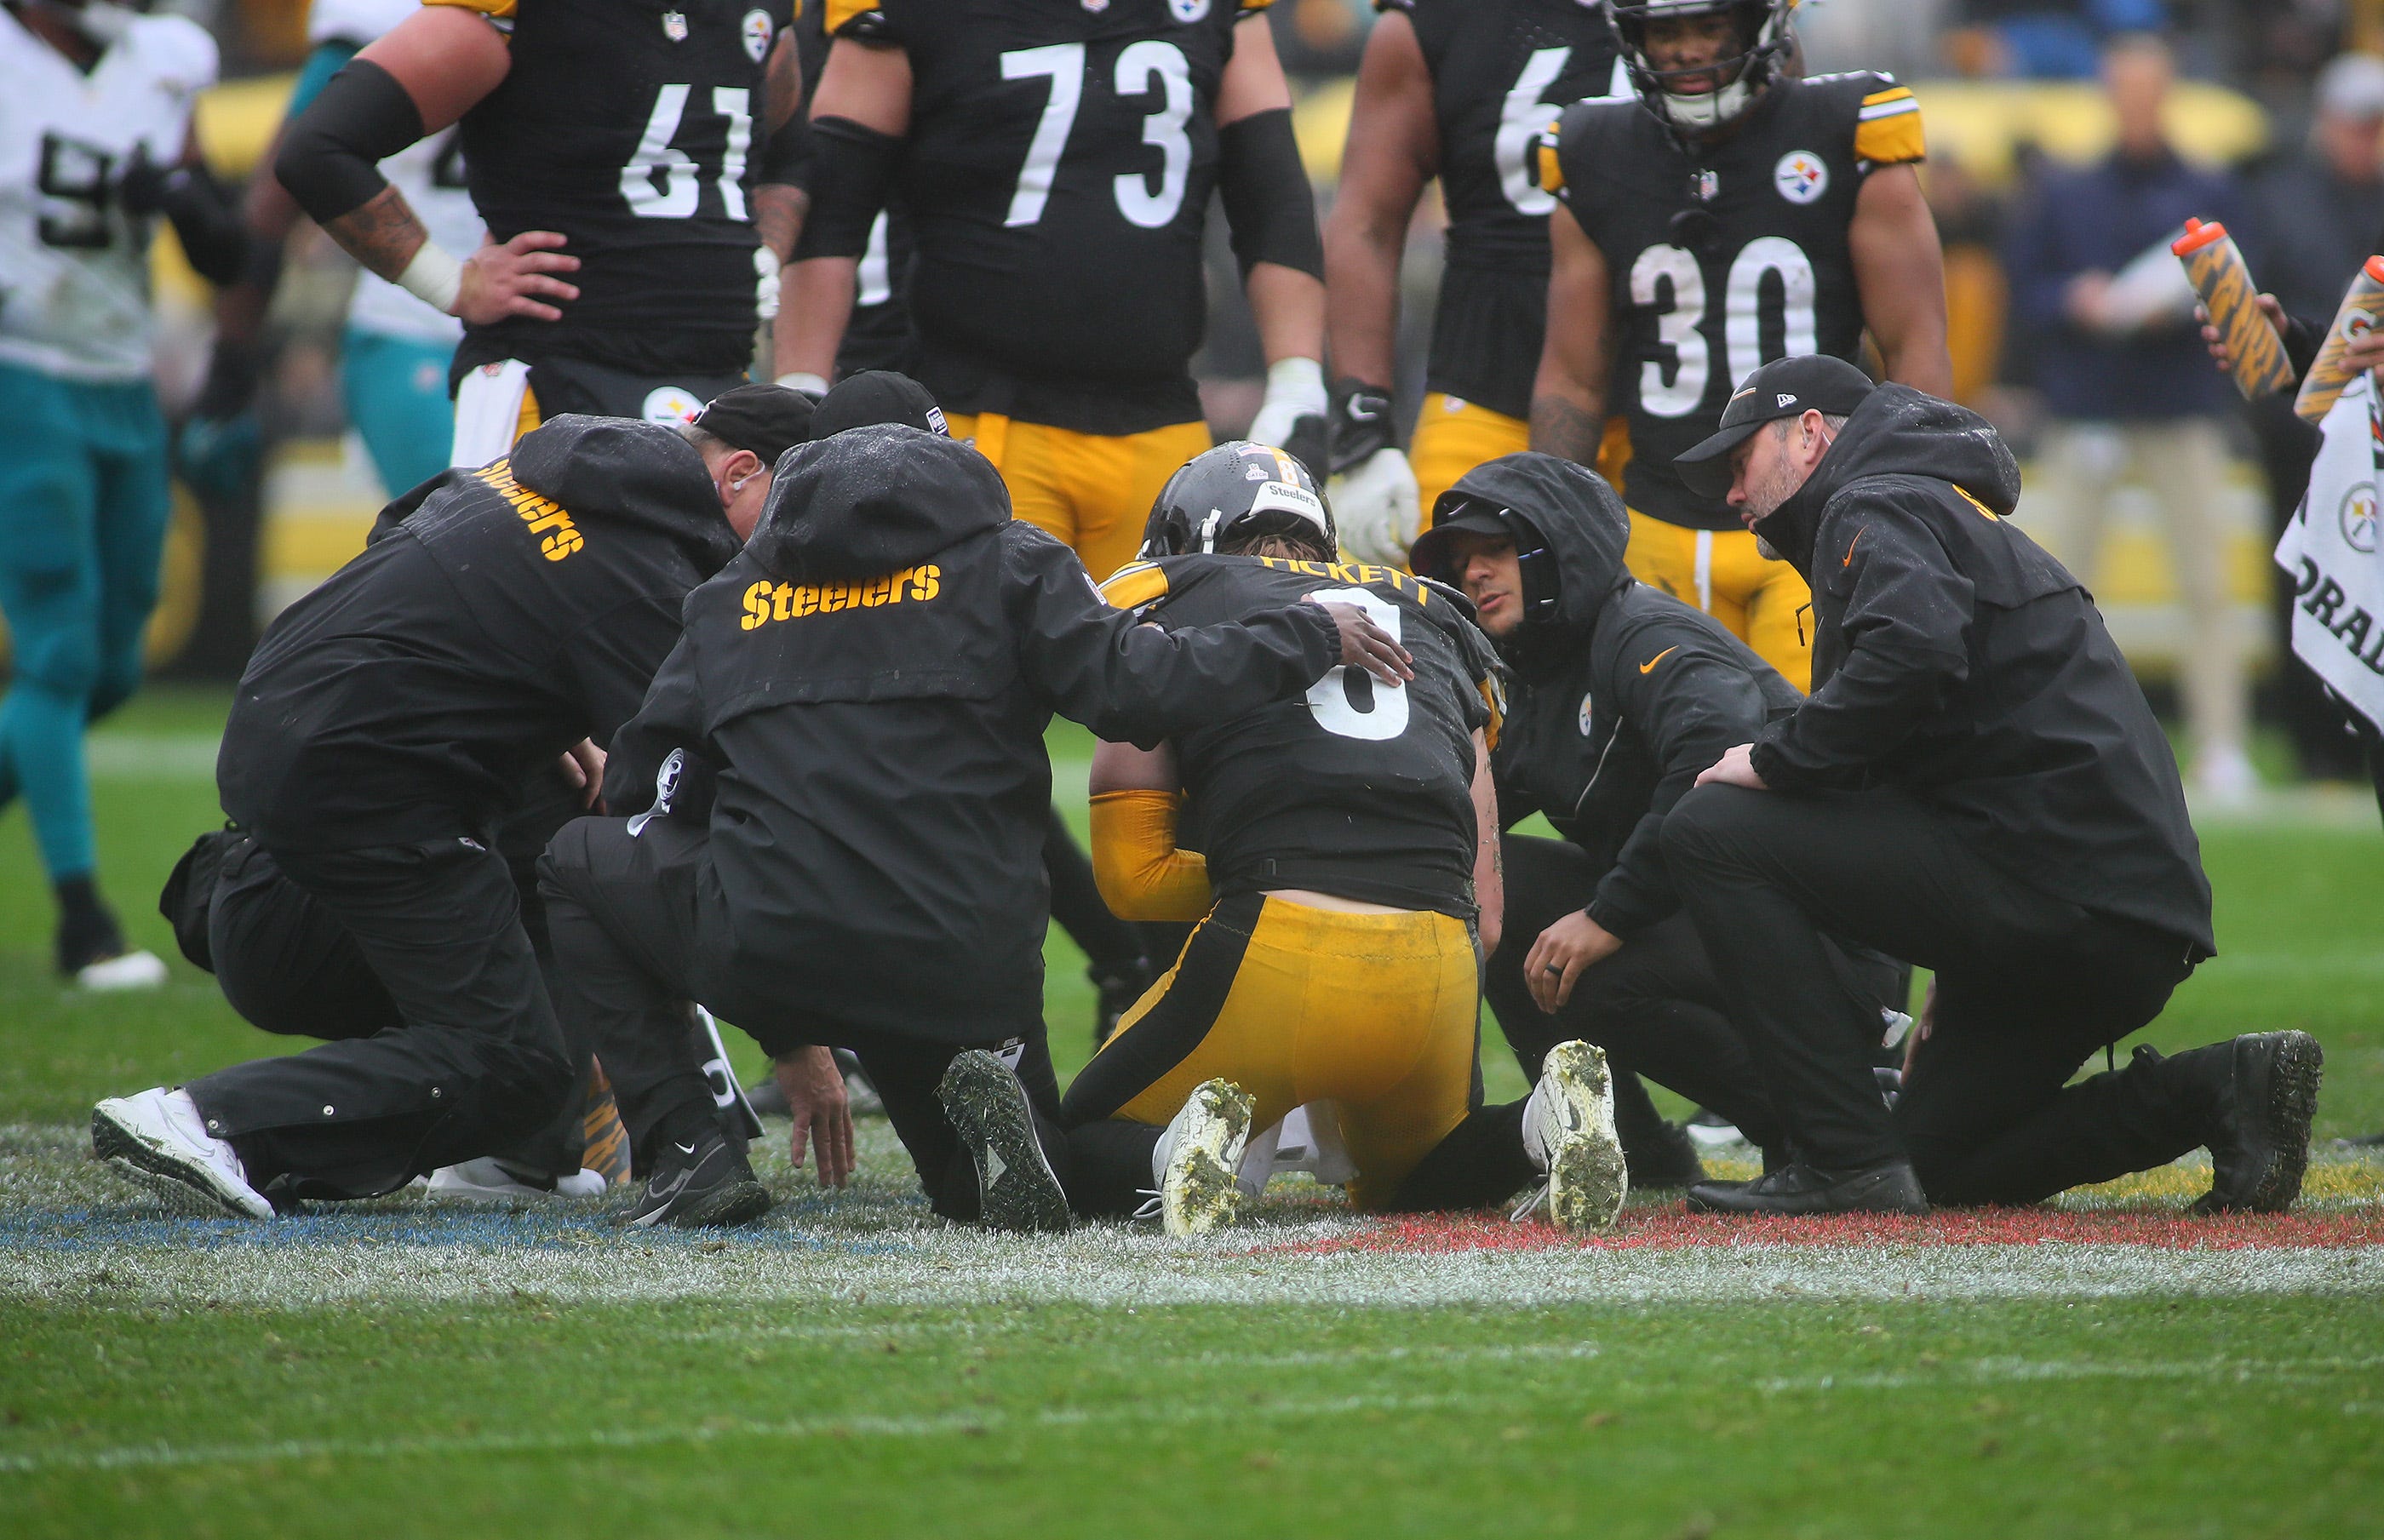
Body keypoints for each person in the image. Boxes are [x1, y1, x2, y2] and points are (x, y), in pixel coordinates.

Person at [537, 380, 1414, 1229]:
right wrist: (1304, 631)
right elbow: (1139, 690)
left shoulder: (729, 599)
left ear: (797, 470)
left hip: (777, 938)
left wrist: (779, 1018)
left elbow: (646, 786)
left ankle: (688, 1149)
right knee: (978, 1186)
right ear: (947, 458)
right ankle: (1125, 1152)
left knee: (573, 861)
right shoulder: (1012, 562)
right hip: (961, 963)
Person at [89, 388, 811, 1218]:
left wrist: (540, 714)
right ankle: (213, 1121)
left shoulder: (542, 465)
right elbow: (703, 807)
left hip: (289, 717)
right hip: (367, 779)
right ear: (740, 475)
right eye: (793, 522)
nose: (792, 557)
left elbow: (396, 527)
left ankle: (519, 1158)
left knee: (560, 803)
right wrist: (793, 1034)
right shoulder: (646, 579)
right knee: (515, 1061)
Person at [1658, 353, 2322, 1217]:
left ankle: (1839, 1159)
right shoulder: (1925, 507)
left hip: (2054, 889)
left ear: (1810, 435)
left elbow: (1913, 651)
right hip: (2112, 914)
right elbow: (1969, 741)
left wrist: (1776, 757)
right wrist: (1959, 954)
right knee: (1936, 1173)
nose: (1728, 495)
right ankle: (2214, 1088)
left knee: (1710, 828)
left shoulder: (1873, 503)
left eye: (1737, 462)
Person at [1015, 442, 1629, 1235]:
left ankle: (1177, 1154)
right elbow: (1491, 915)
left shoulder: (1174, 599)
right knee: (1414, 1179)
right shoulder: (1439, 617)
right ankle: (1538, 1124)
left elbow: (1132, 877)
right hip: (1434, 963)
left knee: (1075, 1138)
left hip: (1275, 947)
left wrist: (1262, 874)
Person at [1407, 452, 1905, 1188]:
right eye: (1461, 559)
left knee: (1586, 969)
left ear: (1561, 548)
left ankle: (1827, 1121)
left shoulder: (1641, 634)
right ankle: (1625, 1145)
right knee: (1488, 883)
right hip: (1708, 915)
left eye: (1495, 550)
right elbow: (1467, 812)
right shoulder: (1538, 675)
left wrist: (1607, 916)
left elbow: (1713, 758)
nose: (1474, 572)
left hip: (1824, 937)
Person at [782, 0, 1331, 589]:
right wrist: (799, 386)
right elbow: (834, 209)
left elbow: (1271, 194)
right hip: (986, 418)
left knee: (1180, 658)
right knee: (992, 665)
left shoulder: (1214, 14)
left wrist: (1298, 375)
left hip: (1159, 414)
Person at [1531, 0, 1950, 693]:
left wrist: (1912, 506)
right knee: (1670, 775)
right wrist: (1548, 521)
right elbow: (1573, 377)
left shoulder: (1847, 126)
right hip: (1658, 519)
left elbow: (1915, 346)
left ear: (1760, 24)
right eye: (1665, 31)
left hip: (1816, 519)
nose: (1688, 51)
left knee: (1817, 761)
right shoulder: (1592, 146)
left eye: (1709, 27)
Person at [271, 0, 803, 465]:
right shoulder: (522, 16)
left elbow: (793, 151)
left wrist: (764, 253)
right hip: (555, 377)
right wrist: (450, 282)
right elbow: (318, 150)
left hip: (718, 377)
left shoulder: (756, 14)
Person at [1, 0, 247, 987]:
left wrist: (186, 199)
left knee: (109, 668)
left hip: (123, 377)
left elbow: (227, 250)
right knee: (57, 648)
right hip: (19, 368)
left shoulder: (167, 58)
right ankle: (81, 923)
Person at [2003, 32, 2254, 804]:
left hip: (2178, 404)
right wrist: (2076, 301)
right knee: (2065, 582)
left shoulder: (2204, 188)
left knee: (2207, 579)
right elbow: (2029, 290)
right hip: (2091, 409)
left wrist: (2165, 312)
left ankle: (2221, 744)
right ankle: (2058, 739)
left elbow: (2236, 291)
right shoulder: (2068, 190)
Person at [1319, 0, 1622, 563]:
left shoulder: (1712, 27)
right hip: (1488, 386)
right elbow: (1366, 223)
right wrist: (1362, 427)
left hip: (1665, 406)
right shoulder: (1438, 22)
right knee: (1442, 625)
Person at [192, 0, 490, 501]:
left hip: (555, 329)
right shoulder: (379, 16)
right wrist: (231, 363)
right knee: (467, 535)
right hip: (419, 321)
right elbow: (286, 183)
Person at [2238, 52, 2384, 782]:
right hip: (2306, 431)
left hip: (2375, 434)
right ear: (2326, 123)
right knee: (2305, 577)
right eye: (2359, 126)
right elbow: (2265, 311)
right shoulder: (2282, 195)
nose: (2369, 141)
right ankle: (2313, 746)